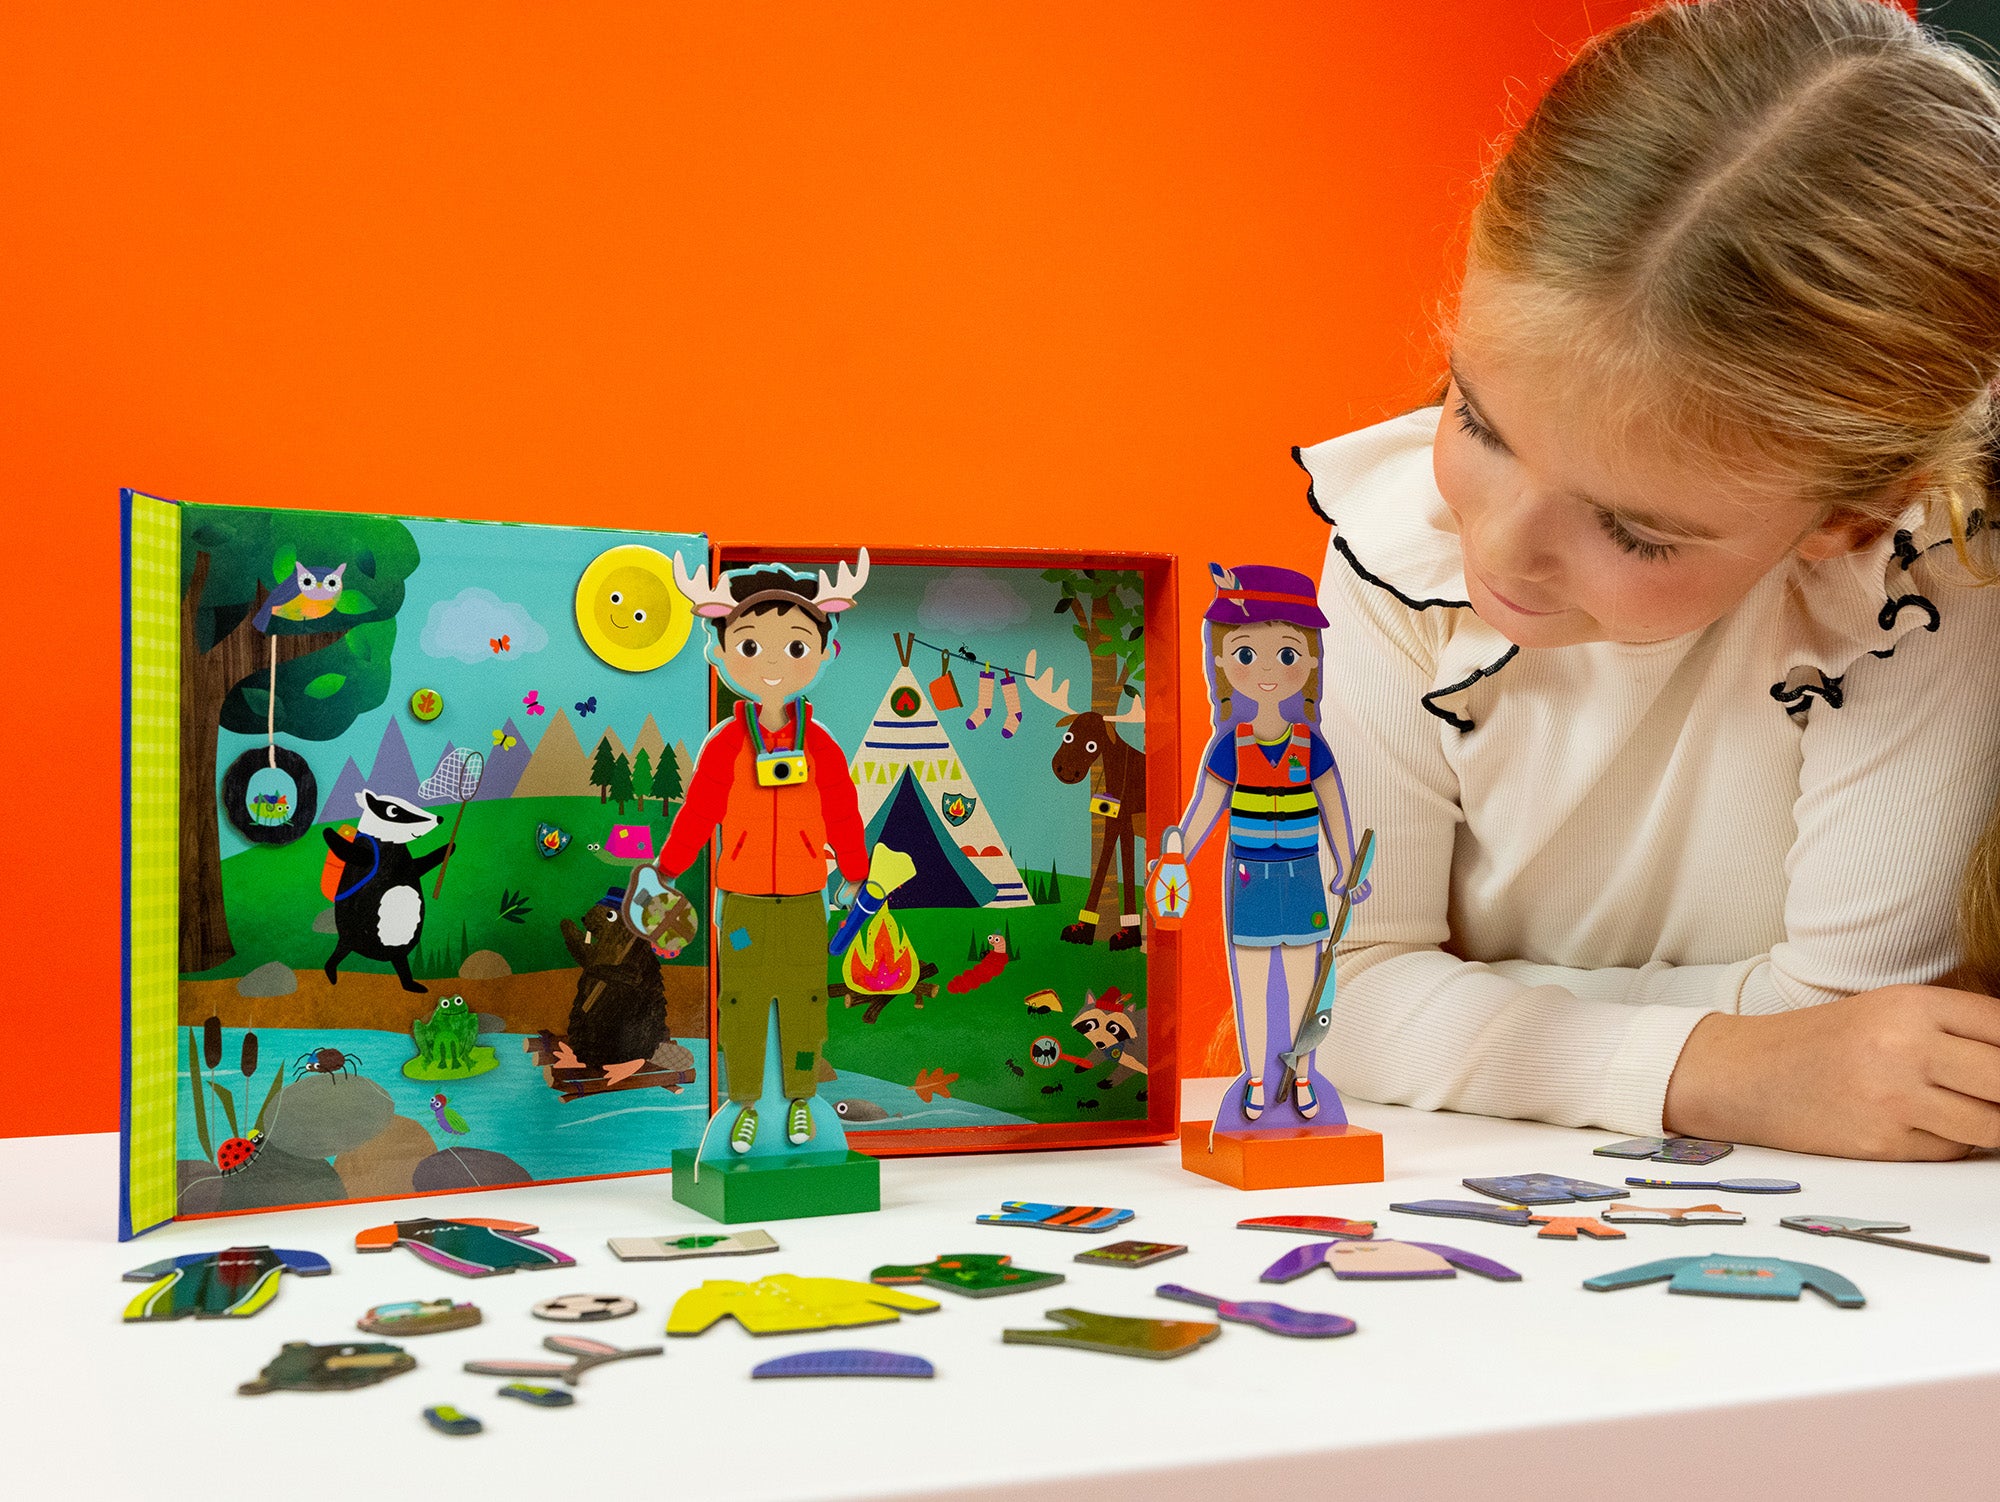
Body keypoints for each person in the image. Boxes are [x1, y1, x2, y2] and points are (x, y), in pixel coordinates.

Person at [1306, 0, 2000, 1161]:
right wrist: (1722, 1065)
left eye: (1632, 531)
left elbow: (1850, 1028)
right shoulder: (1394, 546)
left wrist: (1447, 1008)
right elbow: (1327, 999)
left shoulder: (1915, 591)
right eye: (1476, 420)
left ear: (1851, 513)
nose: (1499, 550)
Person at [649, 552, 871, 1153]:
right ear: (721, 651)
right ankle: (745, 1102)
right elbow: (699, 812)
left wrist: (855, 871)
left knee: (805, 1000)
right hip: (742, 902)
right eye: (750, 646)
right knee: (742, 1001)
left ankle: (800, 1098)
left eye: (795, 646)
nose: (773, 663)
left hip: (805, 900)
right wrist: (668, 869)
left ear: (823, 651)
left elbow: (843, 813)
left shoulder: (820, 745)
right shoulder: (725, 743)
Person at [1162, 563, 1367, 1126]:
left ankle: (1301, 1076)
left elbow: (1333, 807)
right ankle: (1256, 1079)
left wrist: (1349, 866)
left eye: (1287, 653)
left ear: (1311, 660)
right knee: (1251, 984)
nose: (1269, 670)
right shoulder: (1232, 746)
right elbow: (1205, 808)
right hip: (1250, 877)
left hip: (1303, 875)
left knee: (1305, 984)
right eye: (1248, 654)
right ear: (1223, 662)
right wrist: (1177, 852)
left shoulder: (1310, 744)